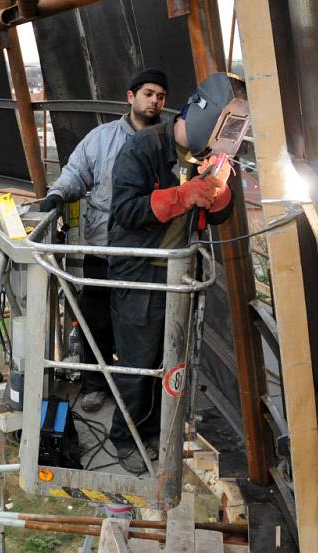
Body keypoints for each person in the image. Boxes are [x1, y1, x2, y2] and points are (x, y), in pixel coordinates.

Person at [106, 74, 237, 474]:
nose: (221, 141)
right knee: (138, 365)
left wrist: (219, 197)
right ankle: (126, 438)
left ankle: (159, 432)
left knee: (172, 361)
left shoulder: (206, 158)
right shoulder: (143, 148)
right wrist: (183, 196)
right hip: (141, 276)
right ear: (201, 115)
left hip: (180, 277)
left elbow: (219, 214)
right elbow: (126, 211)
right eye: (221, 129)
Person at [40, 68, 170, 413]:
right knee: (96, 318)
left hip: (145, 253)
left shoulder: (166, 142)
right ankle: (96, 383)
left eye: (160, 95)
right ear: (131, 97)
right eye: (148, 93)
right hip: (104, 247)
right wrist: (57, 195)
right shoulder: (101, 138)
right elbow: (77, 172)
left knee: (139, 325)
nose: (154, 100)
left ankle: (138, 394)